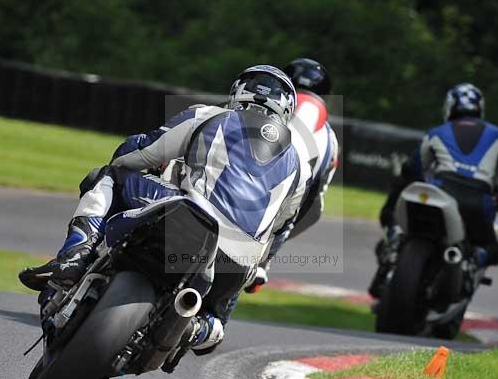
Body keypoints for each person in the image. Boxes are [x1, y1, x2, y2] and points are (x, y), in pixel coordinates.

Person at [19, 65, 309, 353]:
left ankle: (77, 252)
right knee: (215, 320)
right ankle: (201, 328)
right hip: (239, 261)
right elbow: (282, 228)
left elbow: (141, 152)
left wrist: (128, 159)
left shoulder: (210, 115)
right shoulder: (300, 166)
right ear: (287, 110)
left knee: (109, 176)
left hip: (190, 220)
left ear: (237, 92)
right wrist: (258, 267)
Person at [368, 83, 498, 298]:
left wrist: (390, 210)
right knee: (492, 252)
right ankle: (471, 263)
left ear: (449, 107)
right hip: (478, 202)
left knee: (402, 227)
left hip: (440, 194)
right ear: (480, 108)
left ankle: (394, 248)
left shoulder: (436, 132)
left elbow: (412, 169)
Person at [245, 58, 339, 292]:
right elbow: (316, 199)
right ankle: (262, 264)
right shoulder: (332, 141)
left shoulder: (262, 107)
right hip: (279, 217)